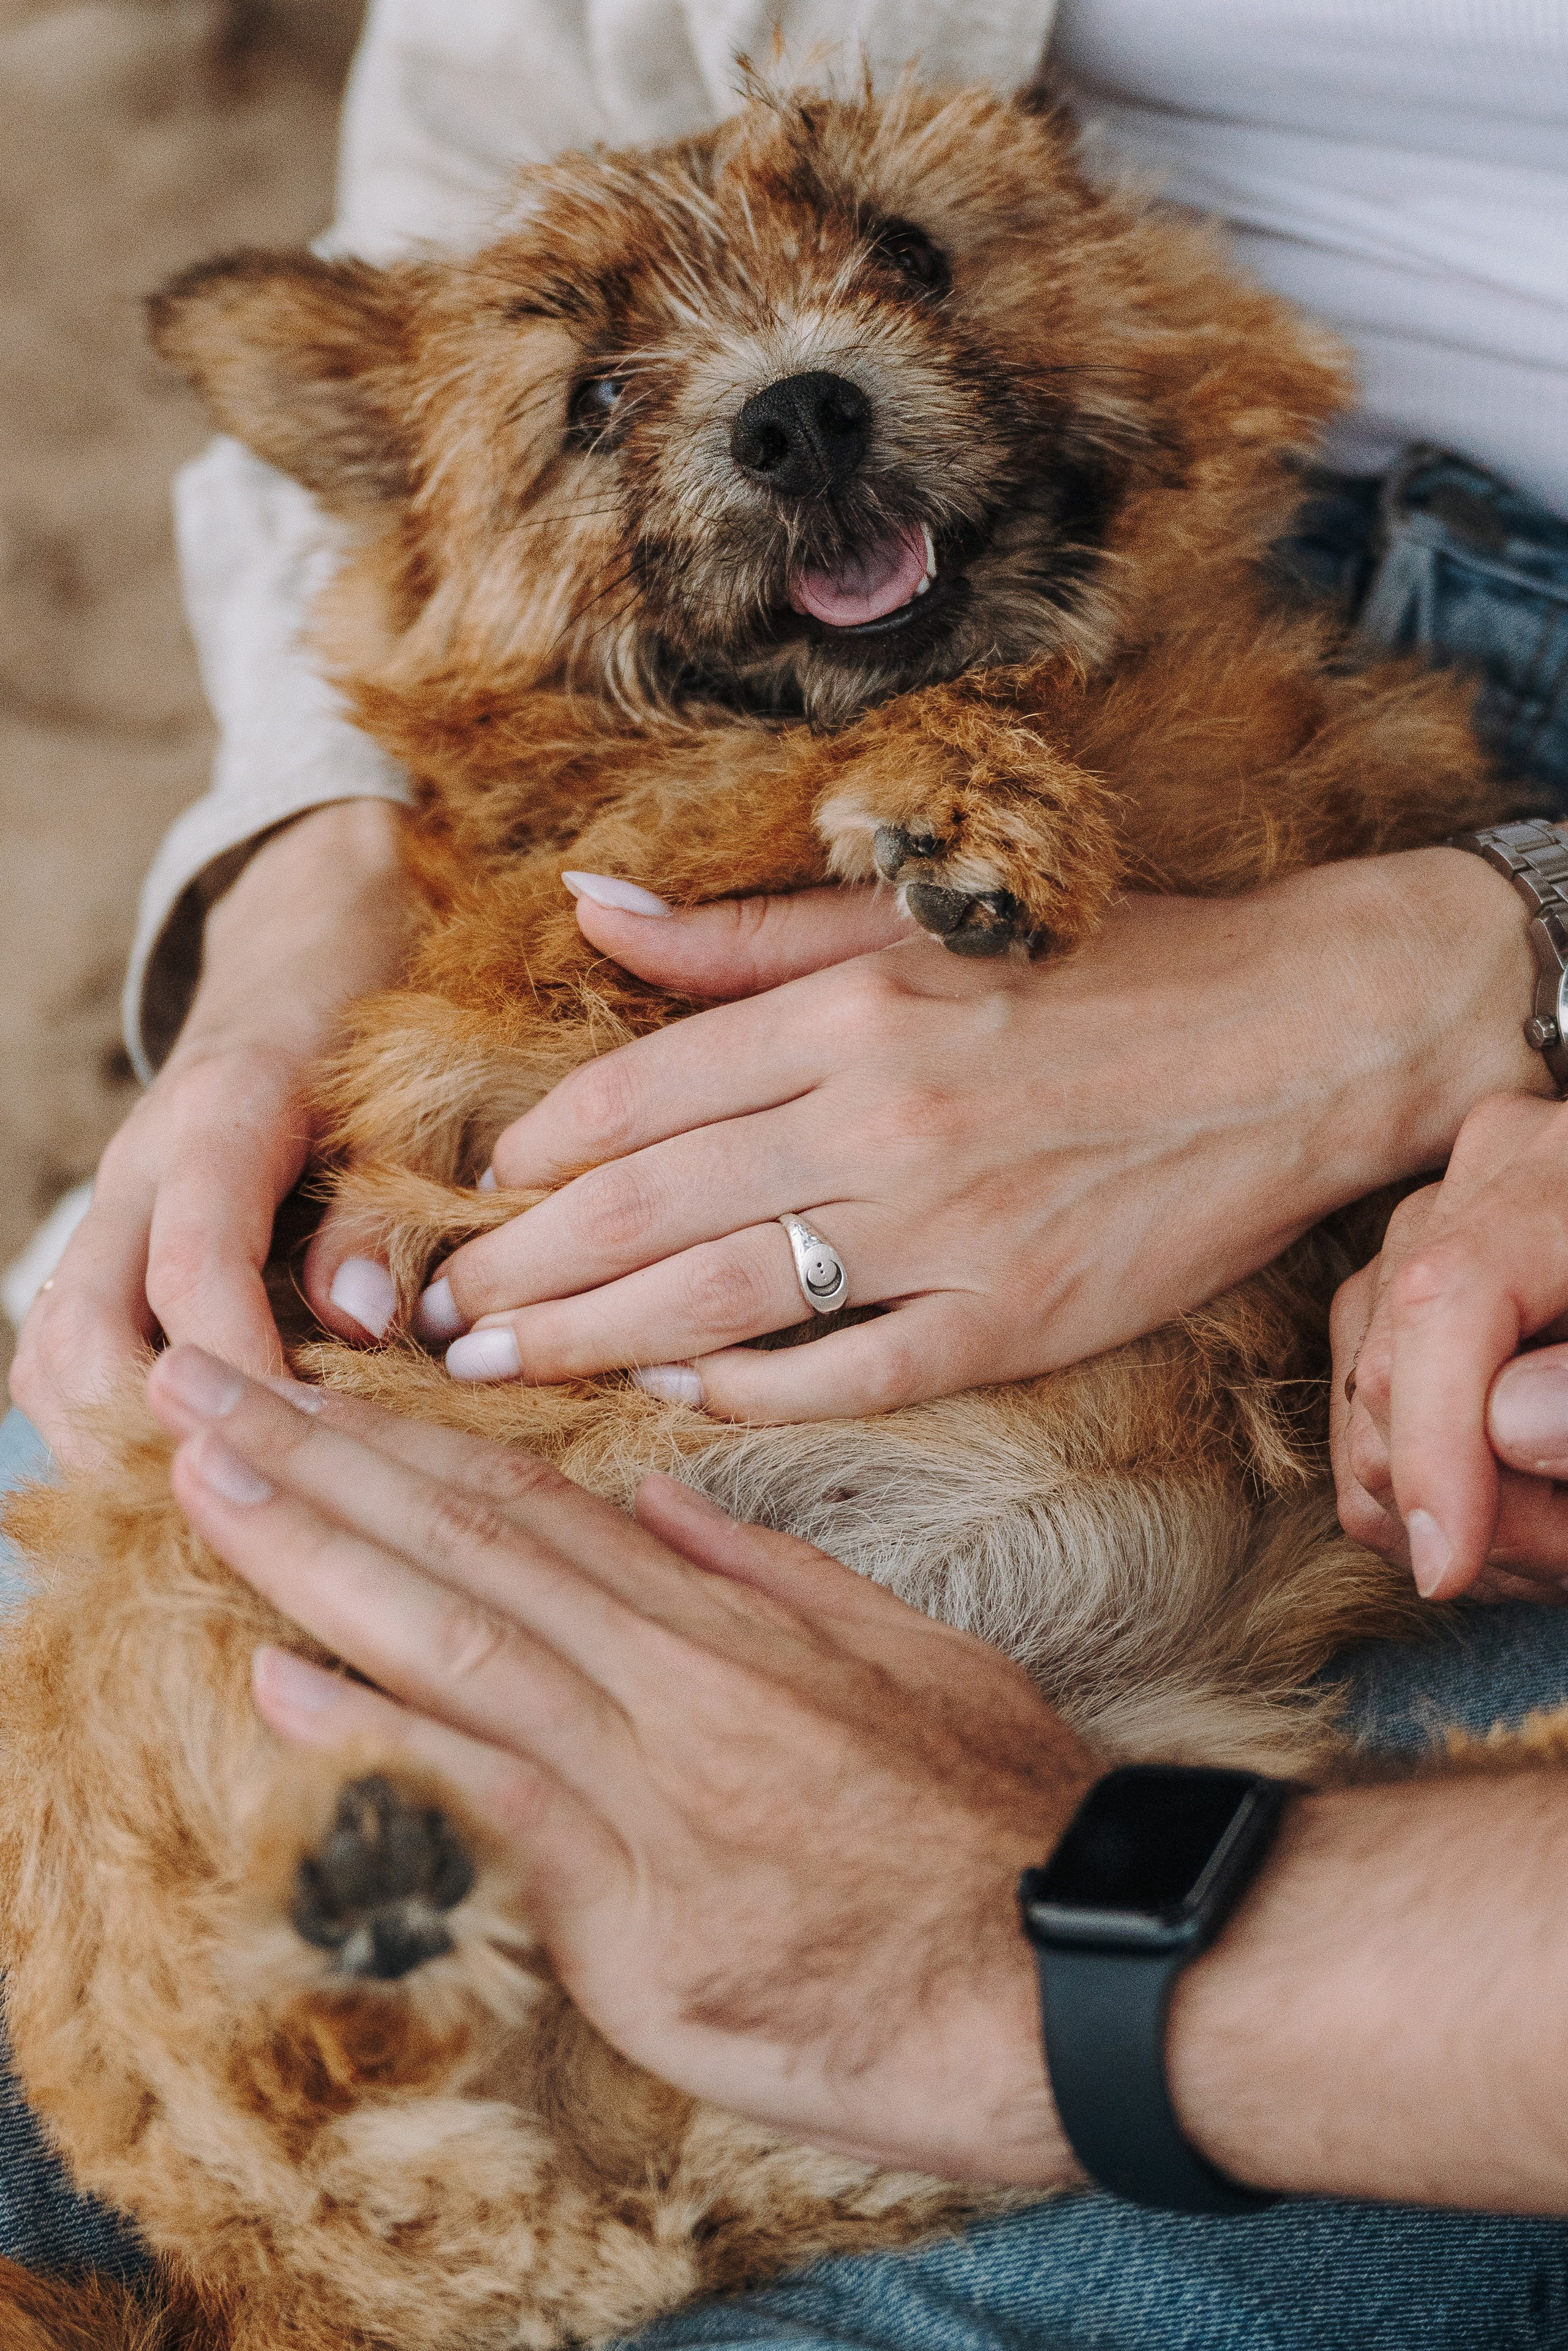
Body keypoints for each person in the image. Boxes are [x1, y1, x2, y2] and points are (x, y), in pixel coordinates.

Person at [6, 1, 1568, 2340]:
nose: (798, 379)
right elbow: (491, 138)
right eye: (601, 398)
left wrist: (1512, 954)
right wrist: (297, 880)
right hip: (404, 1707)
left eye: (905, 263)